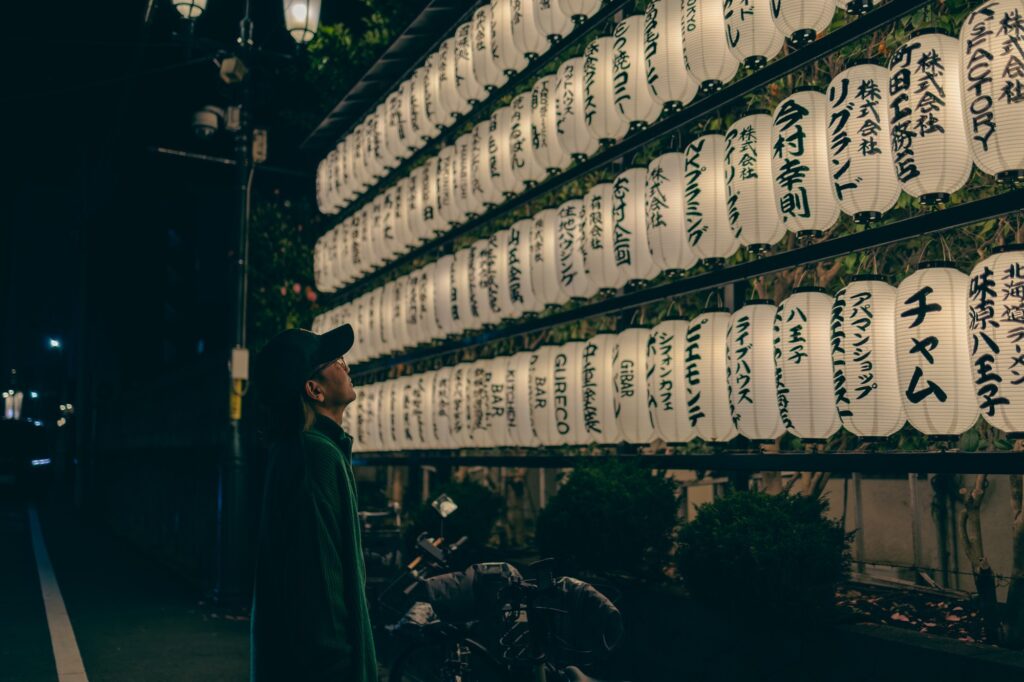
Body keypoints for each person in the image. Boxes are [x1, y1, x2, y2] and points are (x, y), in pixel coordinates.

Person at [250, 325, 377, 681]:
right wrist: (339, 667)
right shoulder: (314, 456)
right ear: (314, 389)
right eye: (335, 361)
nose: (346, 366)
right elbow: (320, 579)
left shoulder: (301, 449)